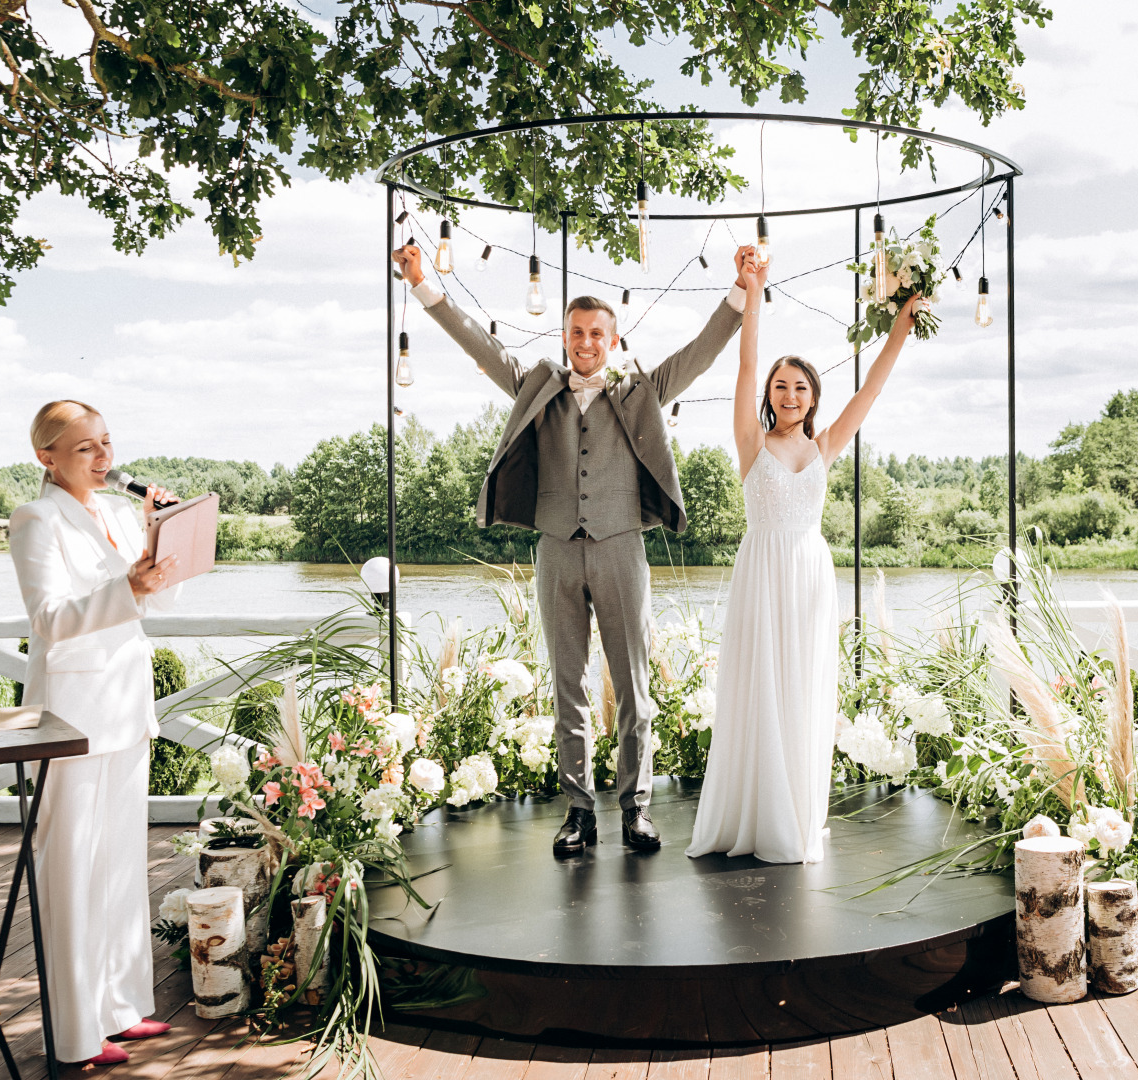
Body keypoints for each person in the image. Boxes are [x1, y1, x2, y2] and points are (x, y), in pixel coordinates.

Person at [391, 241, 749, 856]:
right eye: (576, 332)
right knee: (567, 684)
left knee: (635, 685)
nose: (585, 342)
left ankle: (635, 807)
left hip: (620, 548)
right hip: (556, 548)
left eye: (596, 334)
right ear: (564, 336)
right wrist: (423, 284)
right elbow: (481, 343)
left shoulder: (642, 389)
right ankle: (579, 812)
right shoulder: (538, 384)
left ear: (612, 340)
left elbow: (700, 353)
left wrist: (740, 290)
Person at [687, 255, 924, 864]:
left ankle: (795, 810)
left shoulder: (824, 446)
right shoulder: (750, 440)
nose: (790, 394)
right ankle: (755, 816)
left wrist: (901, 324)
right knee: (761, 683)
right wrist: (754, 292)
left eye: (801, 386)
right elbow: (744, 362)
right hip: (762, 569)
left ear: (814, 396)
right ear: (769, 394)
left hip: (811, 575)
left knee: (803, 689)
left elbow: (872, 389)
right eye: (780, 385)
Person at [8, 401, 179, 1066]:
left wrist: (160, 539)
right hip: (71, 720)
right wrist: (128, 588)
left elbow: (154, 597)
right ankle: (76, 1037)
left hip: (125, 713)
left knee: (116, 871)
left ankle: (120, 1009)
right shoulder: (35, 518)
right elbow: (50, 619)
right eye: (85, 449)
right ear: (46, 458)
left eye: (106, 443)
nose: (104, 458)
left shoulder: (111, 514)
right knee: (72, 875)